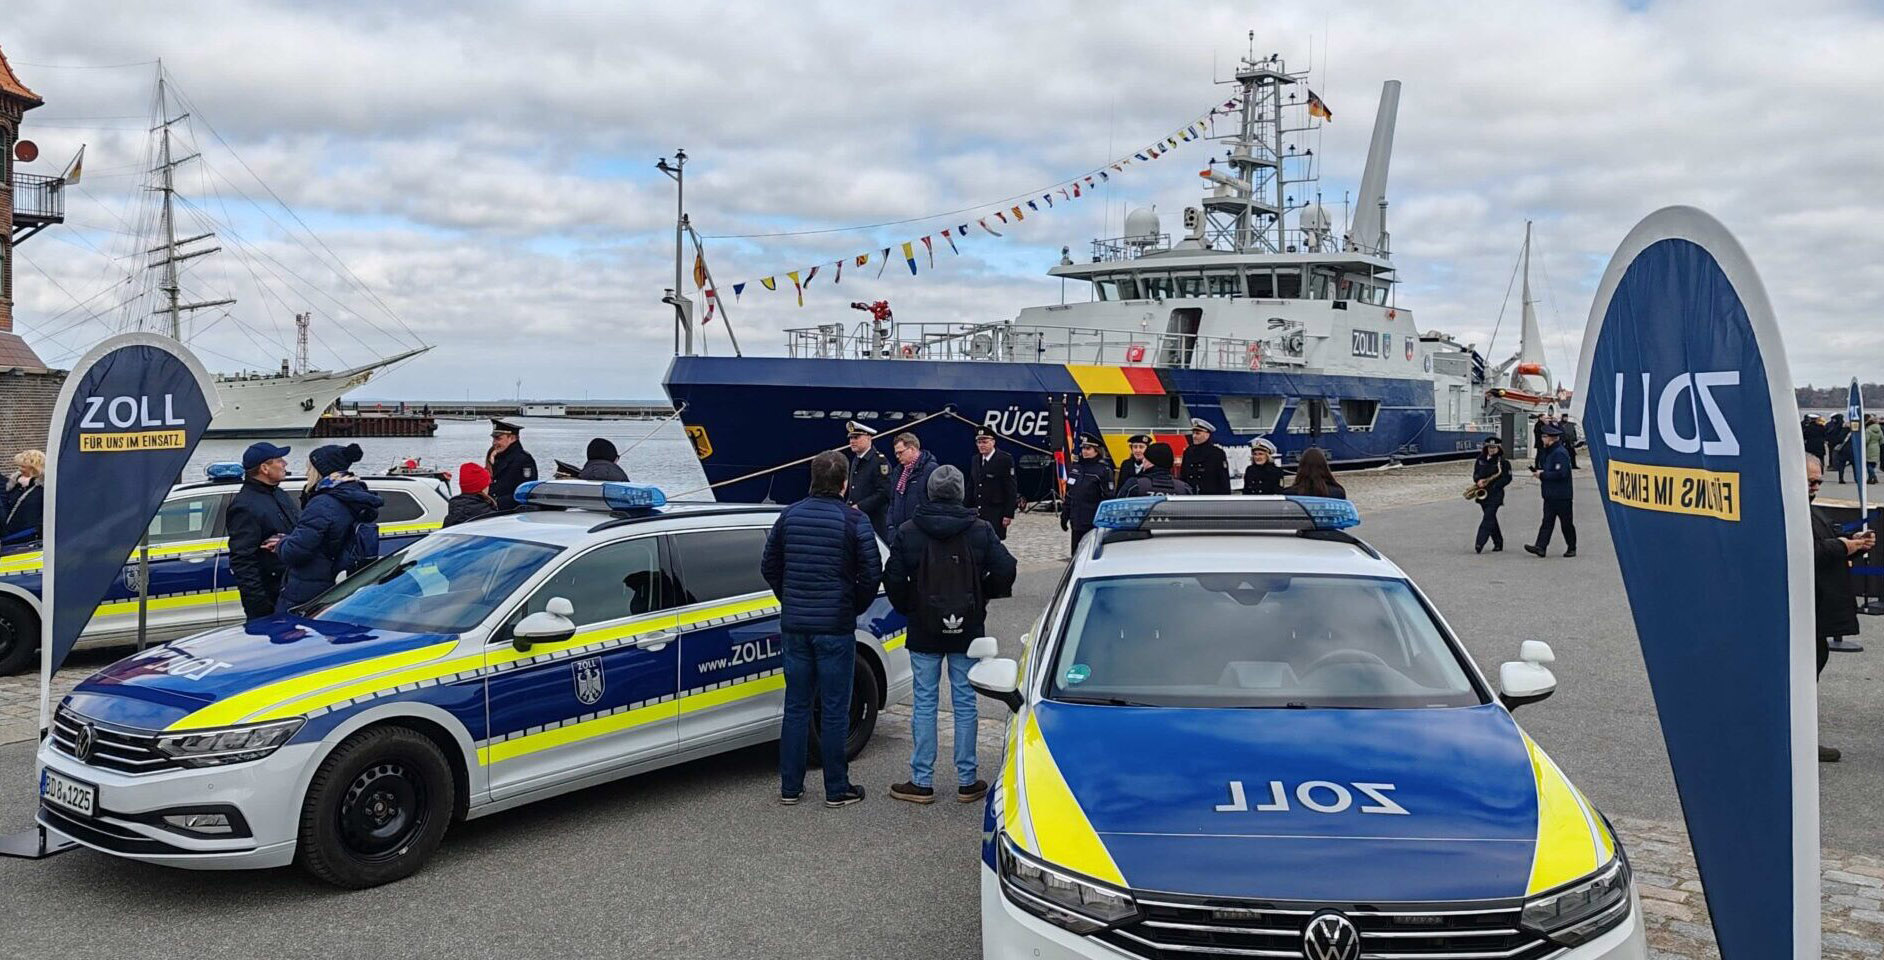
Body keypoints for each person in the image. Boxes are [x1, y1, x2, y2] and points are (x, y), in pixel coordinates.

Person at [882, 465, 1016, 804]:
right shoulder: (980, 529)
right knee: (965, 701)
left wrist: (910, 605)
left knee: (925, 701)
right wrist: (982, 595)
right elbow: (1006, 568)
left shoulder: (910, 530)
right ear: (960, 493)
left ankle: (921, 780)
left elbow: (893, 577)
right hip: (967, 624)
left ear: (928, 492)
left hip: (923, 624)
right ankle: (967, 780)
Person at [759, 451, 879, 806]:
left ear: (812, 479)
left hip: (795, 624)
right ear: (845, 483)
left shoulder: (789, 515)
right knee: (834, 706)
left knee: (796, 705)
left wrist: (790, 599)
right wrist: (851, 604)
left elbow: (769, 566)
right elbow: (871, 575)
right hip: (835, 626)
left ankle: (790, 786)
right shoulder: (855, 521)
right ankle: (836, 787)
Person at [1807, 457, 1872, 762]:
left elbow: (1825, 548)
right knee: (1799, 678)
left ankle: (1801, 736)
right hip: (1799, 611)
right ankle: (1795, 739)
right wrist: (1843, 546)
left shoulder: (1811, 510)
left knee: (1810, 672)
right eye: (1810, 480)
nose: (1815, 486)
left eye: (1819, 481)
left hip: (1815, 612)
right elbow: (1800, 552)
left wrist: (1855, 545)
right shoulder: (1781, 511)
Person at [277, 445, 382, 612]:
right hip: (339, 582)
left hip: (310, 588)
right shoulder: (354, 495)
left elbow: (295, 552)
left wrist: (280, 543)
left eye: (309, 469)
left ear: (320, 471)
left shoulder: (322, 503)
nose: (306, 474)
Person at [225, 442, 300, 620]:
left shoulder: (279, 494)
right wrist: (260, 608)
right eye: (279, 460)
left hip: (292, 591)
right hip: (272, 597)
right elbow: (243, 561)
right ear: (265, 468)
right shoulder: (245, 505)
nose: (285, 464)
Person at [1524, 423, 1576, 558]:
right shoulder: (1548, 452)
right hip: (1549, 494)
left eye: (1544, 437)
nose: (1542, 439)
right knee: (1547, 522)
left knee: (1566, 523)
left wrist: (1542, 475)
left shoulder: (1559, 453)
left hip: (1562, 495)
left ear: (1552, 438)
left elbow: (1561, 474)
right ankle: (1541, 547)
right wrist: (1540, 472)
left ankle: (1571, 547)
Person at [1060, 434, 1114, 553]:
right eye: (1083, 448)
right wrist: (1065, 513)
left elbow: (1108, 498)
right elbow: (1070, 493)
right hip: (1076, 520)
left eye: (1088, 448)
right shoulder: (1076, 468)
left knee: (1091, 554)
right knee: (1075, 553)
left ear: (1097, 451)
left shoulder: (1103, 471)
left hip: (1092, 521)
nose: (1085, 451)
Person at [966, 426, 1018, 540]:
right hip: (978, 511)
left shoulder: (1004, 459)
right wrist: (965, 508)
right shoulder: (975, 459)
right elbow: (971, 485)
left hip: (995, 512)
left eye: (984, 442)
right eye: (979, 442)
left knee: (993, 543)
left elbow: (1011, 488)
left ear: (993, 442)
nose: (981, 445)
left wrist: (1008, 514)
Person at [842, 421, 892, 536]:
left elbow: (885, 493)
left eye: (856, 437)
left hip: (873, 521)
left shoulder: (879, 462)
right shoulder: (856, 460)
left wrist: (860, 506)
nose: (852, 441)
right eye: (851, 438)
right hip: (856, 519)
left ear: (869, 438)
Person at [886, 432, 938, 531]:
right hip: (899, 532)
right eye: (896, 453)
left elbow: (934, 504)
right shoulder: (898, 471)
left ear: (912, 449)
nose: (897, 456)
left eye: (900, 452)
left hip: (920, 531)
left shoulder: (930, 470)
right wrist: (890, 526)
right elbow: (892, 501)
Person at [1470, 436, 1513, 553]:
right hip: (1483, 493)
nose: (1491, 450)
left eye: (1494, 447)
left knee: (1488, 517)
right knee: (1491, 518)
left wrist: (1495, 485)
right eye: (1489, 447)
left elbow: (1508, 478)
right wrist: (1478, 480)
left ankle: (1480, 543)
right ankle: (1498, 542)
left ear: (1499, 448)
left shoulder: (1503, 462)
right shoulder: (1480, 459)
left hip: (1496, 494)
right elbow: (1476, 473)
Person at [486, 419, 538, 511]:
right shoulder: (497, 457)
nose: (494, 443)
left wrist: (497, 502)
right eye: (493, 439)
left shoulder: (524, 460)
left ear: (512, 438)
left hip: (511, 512)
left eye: (498, 439)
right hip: (494, 509)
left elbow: (525, 491)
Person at [1, 449, 46, 545]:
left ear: (34, 468)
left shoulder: (43, 488)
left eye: (23, 466)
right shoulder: (14, 485)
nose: (20, 469)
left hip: (30, 537)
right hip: (11, 535)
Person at [1117, 442, 1192, 497]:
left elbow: (1118, 507)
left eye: (1145, 459)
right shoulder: (1184, 489)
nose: (1143, 461)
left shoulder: (1134, 485)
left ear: (1151, 462)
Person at [1179, 418, 1231, 494]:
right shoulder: (1188, 452)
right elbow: (1183, 476)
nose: (1194, 436)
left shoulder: (1217, 454)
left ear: (1207, 435)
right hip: (1190, 497)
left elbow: (1223, 481)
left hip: (1210, 498)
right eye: (1193, 433)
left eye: (1198, 433)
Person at [444, 462, 499, 527]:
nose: (488, 486)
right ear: (482, 488)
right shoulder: (488, 515)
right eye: (488, 483)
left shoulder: (453, 513)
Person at [1867, 415, 1882, 485]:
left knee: (1868, 464)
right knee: (1873, 464)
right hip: (1876, 447)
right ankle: (1870, 478)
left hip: (1869, 448)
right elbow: (1882, 440)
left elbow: (1866, 440)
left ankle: (1873, 477)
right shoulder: (1879, 430)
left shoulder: (1868, 430)